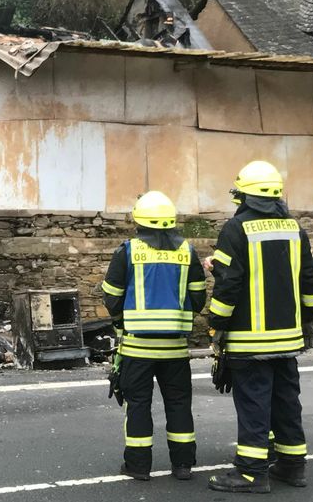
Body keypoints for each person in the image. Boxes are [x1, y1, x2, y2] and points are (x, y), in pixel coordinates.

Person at [205, 160, 313, 494]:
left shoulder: (236, 229)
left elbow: (228, 284)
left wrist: (217, 326)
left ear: (243, 196)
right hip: (288, 337)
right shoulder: (295, 229)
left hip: (249, 341)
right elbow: (310, 281)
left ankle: (253, 473)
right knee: (286, 400)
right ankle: (292, 465)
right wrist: (308, 320)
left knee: (254, 403)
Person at [102, 190, 207, 482]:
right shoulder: (187, 251)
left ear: (139, 220)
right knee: (178, 404)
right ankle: (183, 465)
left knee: (138, 405)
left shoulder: (128, 251)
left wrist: (123, 318)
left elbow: (111, 297)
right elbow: (198, 298)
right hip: (175, 348)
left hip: (137, 348)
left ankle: (138, 466)